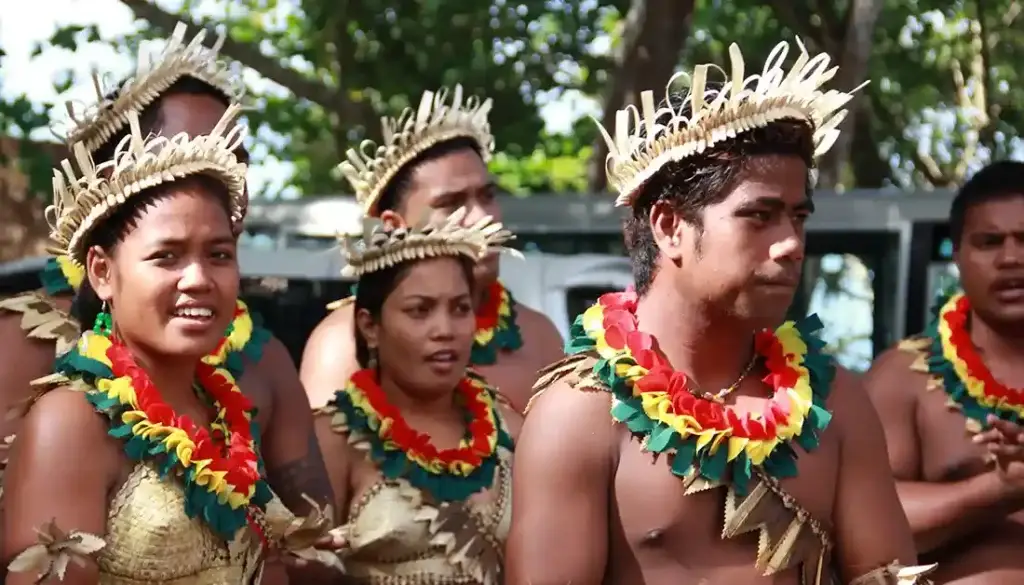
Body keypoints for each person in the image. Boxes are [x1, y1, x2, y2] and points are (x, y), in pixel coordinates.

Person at [506, 39, 935, 585]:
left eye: (798, 218)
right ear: (669, 227)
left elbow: (889, 576)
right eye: (760, 217)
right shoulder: (581, 415)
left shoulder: (836, 404)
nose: (790, 244)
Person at [0, 23, 334, 525]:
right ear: (114, 183)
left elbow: (315, 535)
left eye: (234, 162)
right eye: (188, 158)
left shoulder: (265, 363)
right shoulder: (22, 346)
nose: (222, 184)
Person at [299, 85, 564, 413]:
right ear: (394, 227)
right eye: (451, 203)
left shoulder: (540, 338)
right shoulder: (343, 344)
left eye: (487, 196)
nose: (484, 218)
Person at [313, 208, 522, 584]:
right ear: (370, 327)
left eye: (460, 308)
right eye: (420, 311)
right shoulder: (332, 440)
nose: (445, 329)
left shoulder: (510, 431)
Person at [864, 160, 1024, 584]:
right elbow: (866, 519)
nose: (1011, 258)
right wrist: (1000, 490)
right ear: (958, 255)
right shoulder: (904, 377)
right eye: (990, 242)